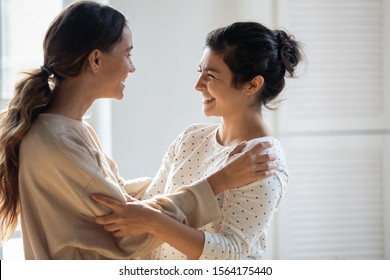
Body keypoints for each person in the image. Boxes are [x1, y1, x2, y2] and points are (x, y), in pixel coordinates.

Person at [0, 2, 275, 260]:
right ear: (96, 60)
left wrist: (184, 178)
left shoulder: (69, 129)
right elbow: (131, 230)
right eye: (128, 54)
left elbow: (118, 196)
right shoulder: (58, 142)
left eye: (211, 75)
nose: (132, 67)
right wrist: (217, 182)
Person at [92, 21, 303, 260]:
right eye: (200, 72)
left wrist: (154, 222)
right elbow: (152, 203)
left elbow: (231, 253)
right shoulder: (191, 138)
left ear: (252, 85)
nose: (198, 85)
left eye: (210, 76)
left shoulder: (263, 161)